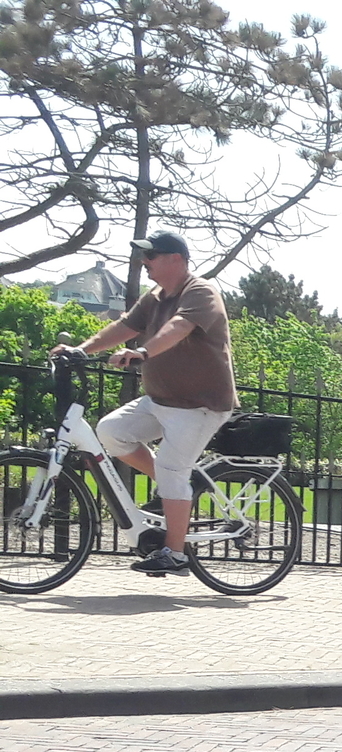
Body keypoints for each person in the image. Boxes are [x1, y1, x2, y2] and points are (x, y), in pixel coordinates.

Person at [67, 232, 238, 577]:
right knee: (111, 432)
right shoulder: (155, 297)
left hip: (199, 405)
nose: (144, 262)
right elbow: (124, 326)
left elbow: (179, 327)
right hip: (160, 401)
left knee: (173, 471)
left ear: (176, 258)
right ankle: (173, 488)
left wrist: (143, 352)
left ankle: (175, 554)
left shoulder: (200, 292)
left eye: (152, 256)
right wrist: (82, 350)